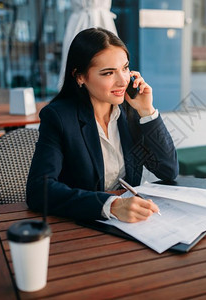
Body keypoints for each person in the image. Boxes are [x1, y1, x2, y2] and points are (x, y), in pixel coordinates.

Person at [27, 28, 178, 223]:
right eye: (108, 73)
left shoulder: (131, 110)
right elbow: (39, 191)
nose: (123, 81)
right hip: (81, 224)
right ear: (80, 76)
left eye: (125, 68)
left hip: (130, 224)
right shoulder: (58, 117)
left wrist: (147, 112)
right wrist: (111, 205)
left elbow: (168, 171)